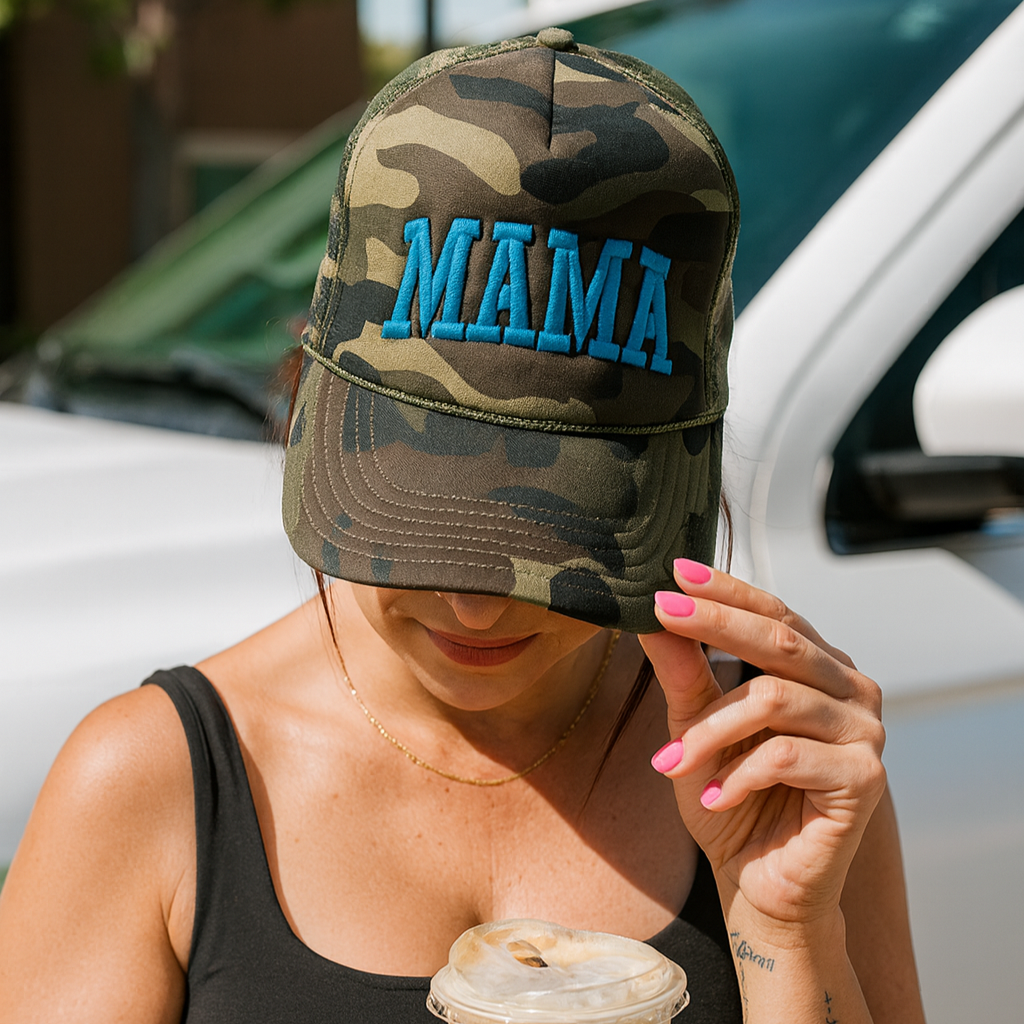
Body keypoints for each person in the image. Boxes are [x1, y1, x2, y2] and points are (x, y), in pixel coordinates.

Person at [0, 29, 925, 1024]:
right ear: (309, 395)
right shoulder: (152, 788)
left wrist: (785, 929)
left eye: (551, 537)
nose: (474, 605)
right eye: (428, 519)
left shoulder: (778, 778)